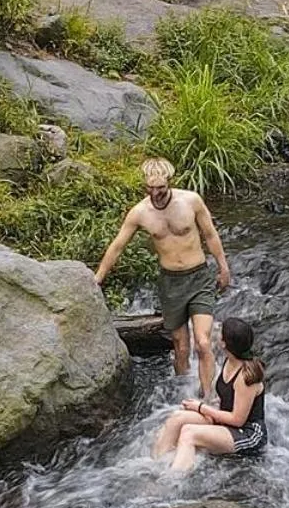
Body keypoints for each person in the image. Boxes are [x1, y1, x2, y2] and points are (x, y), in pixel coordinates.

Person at [94, 157, 232, 399]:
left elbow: (210, 235)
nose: (155, 193)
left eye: (161, 188)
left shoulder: (191, 201)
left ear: (170, 182)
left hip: (199, 276)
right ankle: (184, 394)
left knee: (202, 341)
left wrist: (223, 268)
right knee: (180, 346)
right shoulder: (139, 213)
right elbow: (117, 247)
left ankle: (208, 396)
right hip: (170, 282)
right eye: (150, 188)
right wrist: (97, 279)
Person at [151, 317, 267, 474]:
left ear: (225, 343)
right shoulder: (230, 360)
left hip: (247, 433)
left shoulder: (246, 376)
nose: (218, 335)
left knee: (189, 433)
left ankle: (171, 482)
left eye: (221, 334)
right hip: (225, 420)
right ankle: (154, 466)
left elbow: (237, 420)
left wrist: (201, 407)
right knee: (177, 418)